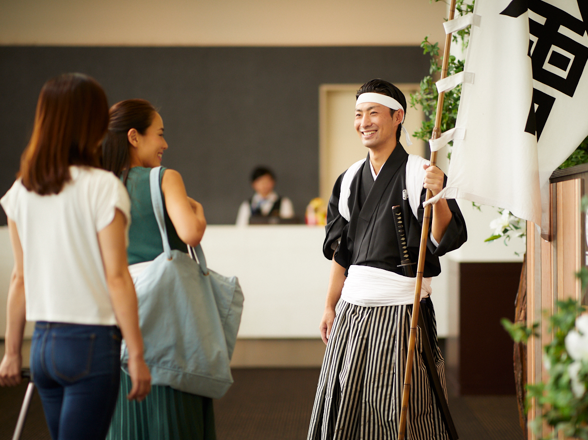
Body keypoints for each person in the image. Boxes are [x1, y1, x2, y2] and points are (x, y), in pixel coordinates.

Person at [307, 79, 467, 440]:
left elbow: (444, 237)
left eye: (373, 113)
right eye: (358, 114)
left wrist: (438, 195)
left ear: (398, 117)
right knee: (345, 398)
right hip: (352, 308)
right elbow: (341, 253)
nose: (364, 122)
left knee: (403, 406)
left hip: (402, 309)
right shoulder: (348, 179)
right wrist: (329, 306)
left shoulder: (420, 171)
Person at [0, 73, 151, 440]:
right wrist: (136, 353)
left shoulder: (22, 188)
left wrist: (11, 350)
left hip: (42, 345)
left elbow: (20, 277)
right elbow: (116, 277)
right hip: (90, 344)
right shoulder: (102, 186)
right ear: (94, 121)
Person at [102, 99, 214, 440]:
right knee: (172, 407)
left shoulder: (100, 184)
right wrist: (198, 209)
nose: (165, 144)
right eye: (159, 134)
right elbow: (190, 232)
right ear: (134, 137)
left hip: (114, 315)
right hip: (166, 316)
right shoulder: (163, 178)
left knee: (123, 408)